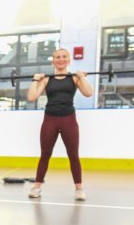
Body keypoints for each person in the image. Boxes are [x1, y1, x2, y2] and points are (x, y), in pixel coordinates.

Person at [26, 48, 93, 201]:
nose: (61, 59)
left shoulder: (75, 78)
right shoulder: (46, 79)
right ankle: (37, 187)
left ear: (69, 60)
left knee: (73, 155)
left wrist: (82, 78)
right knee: (45, 155)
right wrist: (36, 80)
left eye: (64, 57)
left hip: (69, 119)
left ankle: (79, 189)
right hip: (50, 119)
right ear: (53, 61)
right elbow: (31, 96)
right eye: (57, 57)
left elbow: (89, 93)